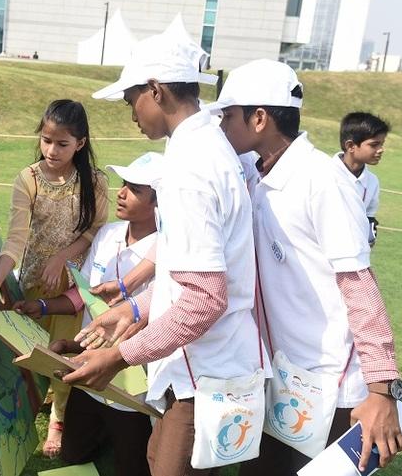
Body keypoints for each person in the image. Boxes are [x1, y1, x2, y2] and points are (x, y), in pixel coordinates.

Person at [62, 32, 264, 476]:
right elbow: (186, 274)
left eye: (132, 99)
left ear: (156, 90)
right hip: (192, 367)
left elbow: (205, 298)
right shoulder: (198, 149)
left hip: (204, 373)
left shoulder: (192, 167)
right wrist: (134, 309)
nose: (131, 112)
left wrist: (120, 355)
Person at [212, 59, 402, 475]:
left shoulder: (323, 181)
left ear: (259, 118)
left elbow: (359, 285)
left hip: (331, 386)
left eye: (228, 116)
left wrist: (381, 391)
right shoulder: (256, 174)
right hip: (283, 377)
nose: (221, 126)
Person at [15, 151, 162, 476]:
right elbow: (84, 294)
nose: (121, 193)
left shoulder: (170, 250)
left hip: (131, 383)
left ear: (159, 204)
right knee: (74, 453)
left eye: (135, 189)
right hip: (87, 369)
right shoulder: (108, 233)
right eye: (123, 184)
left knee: (132, 467)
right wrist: (41, 307)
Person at [0, 99, 109, 457]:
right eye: (46, 140)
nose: (51, 150)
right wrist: (0, 273)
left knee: (64, 354)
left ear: (80, 144)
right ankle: (31, 402)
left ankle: (58, 420)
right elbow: (17, 237)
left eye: (62, 143)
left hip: (74, 288)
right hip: (35, 280)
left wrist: (62, 259)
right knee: (33, 350)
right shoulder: (28, 179)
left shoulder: (95, 181)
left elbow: (94, 231)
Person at [332, 112, 390, 247]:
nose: (381, 150)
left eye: (382, 144)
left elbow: (369, 216)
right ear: (350, 146)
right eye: (374, 145)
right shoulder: (324, 174)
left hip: (353, 254)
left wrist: (369, 239)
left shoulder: (372, 181)